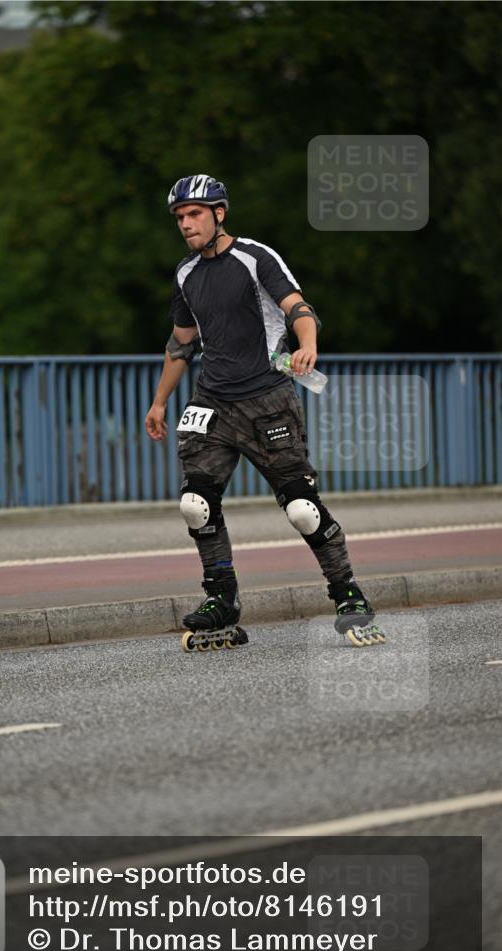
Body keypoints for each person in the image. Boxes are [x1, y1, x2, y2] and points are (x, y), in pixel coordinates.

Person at [144, 174, 377, 644]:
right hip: (211, 401)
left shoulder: (255, 257)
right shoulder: (186, 274)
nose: (186, 224)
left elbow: (298, 308)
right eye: (180, 217)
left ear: (219, 214)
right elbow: (180, 344)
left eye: (194, 214)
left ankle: (347, 592)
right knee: (196, 504)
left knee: (301, 510)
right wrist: (159, 401)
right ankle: (222, 598)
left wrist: (307, 345)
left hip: (268, 399)